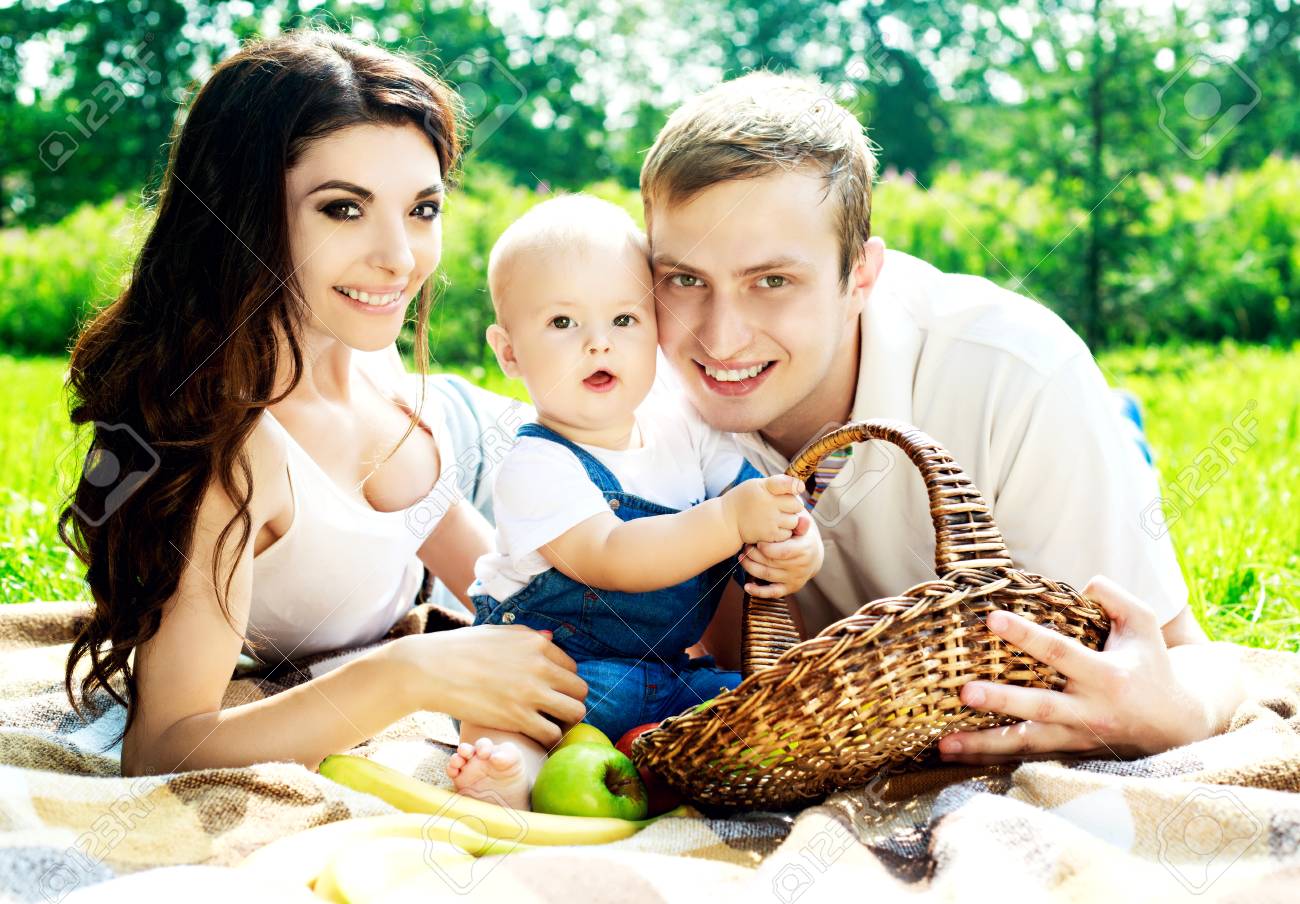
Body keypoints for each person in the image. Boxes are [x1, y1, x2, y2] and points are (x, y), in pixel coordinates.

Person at [638, 71, 1253, 763]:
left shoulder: (1020, 373)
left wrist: (1176, 712)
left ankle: (1120, 422)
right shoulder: (629, 389)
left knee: (1093, 442)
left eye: (772, 281)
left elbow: (1182, 654)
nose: (720, 340)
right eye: (685, 279)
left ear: (860, 277)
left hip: (1033, 431)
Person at [59, 29, 587, 777]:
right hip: (455, 455)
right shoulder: (227, 452)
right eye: (344, 209)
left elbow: (488, 573)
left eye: (423, 209)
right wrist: (402, 675)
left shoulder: (367, 342)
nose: (399, 259)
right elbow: (161, 748)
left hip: (477, 441)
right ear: (243, 212)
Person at [444, 195, 824, 809]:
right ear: (508, 352)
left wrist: (797, 544)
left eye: (624, 319)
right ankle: (510, 776)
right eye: (563, 323)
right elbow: (612, 555)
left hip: (666, 673)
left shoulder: (687, 426)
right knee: (507, 717)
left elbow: (763, 502)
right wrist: (728, 519)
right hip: (559, 673)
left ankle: (696, 764)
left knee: (758, 707)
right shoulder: (537, 463)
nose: (599, 344)